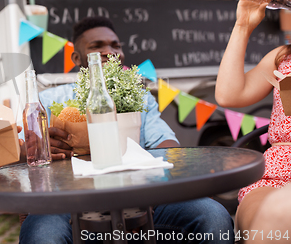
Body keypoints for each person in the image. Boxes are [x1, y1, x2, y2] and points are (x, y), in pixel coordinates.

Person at [19, 16, 234, 244]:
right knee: (42, 234)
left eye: (116, 45)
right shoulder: (50, 101)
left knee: (213, 216)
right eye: (96, 46)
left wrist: (151, 188)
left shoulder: (140, 98)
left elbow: (167, 144)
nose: (109, 51)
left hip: (140, 201)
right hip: (68, 205)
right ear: (76, 57)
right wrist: (39, 148)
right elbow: (23, 153)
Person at [215, 0, 289, 242]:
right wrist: (243, 25)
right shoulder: (283, 57)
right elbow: (228, 94)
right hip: (275, 176)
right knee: (275, 218)